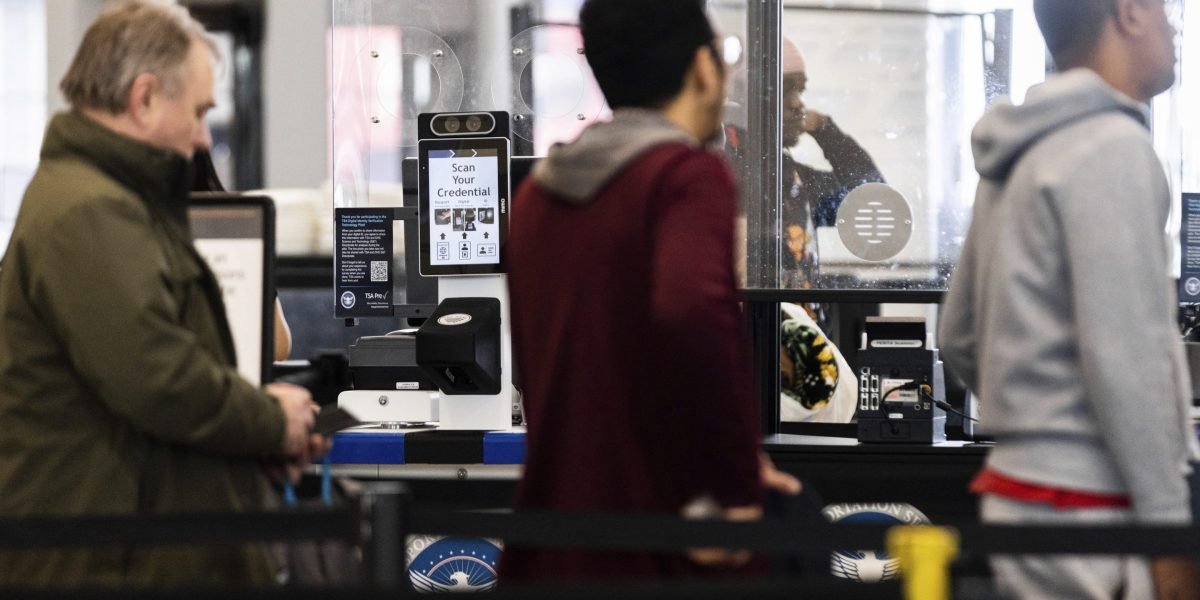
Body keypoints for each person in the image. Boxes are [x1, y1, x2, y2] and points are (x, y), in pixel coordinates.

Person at [0, 0, 322, 587]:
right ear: (144, 97)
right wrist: (269, 420)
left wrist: (246, 447)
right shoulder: (90, 212)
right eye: (198, 112)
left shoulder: (111, 201)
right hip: (109, 563)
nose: (203, 138)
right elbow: (161, 378)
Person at [500, 0, 800, 583]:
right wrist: (732, 485)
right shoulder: (683, 178)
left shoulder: (538, 195)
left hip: (550, 538)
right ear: (703, 67)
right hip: (658, 538)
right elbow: (692, 314)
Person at [939, 0, 1199, 597]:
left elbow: (957, 334)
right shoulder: (1113, 147)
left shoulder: (1019, 150)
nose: (1175, 23)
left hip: (1016, 498)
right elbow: (1127, 361)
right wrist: (1168, 536)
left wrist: (1036, 417)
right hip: (1099, 512)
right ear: (1130, 13)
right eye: (1165, 8)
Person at [724, 36, 884, 287]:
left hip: (798, 324)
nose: (798, 103)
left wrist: (824, 128)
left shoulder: (792, 182)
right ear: (747, 100)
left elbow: (873, 201)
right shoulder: (722, 174)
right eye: (784, 90)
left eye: (800, 90)